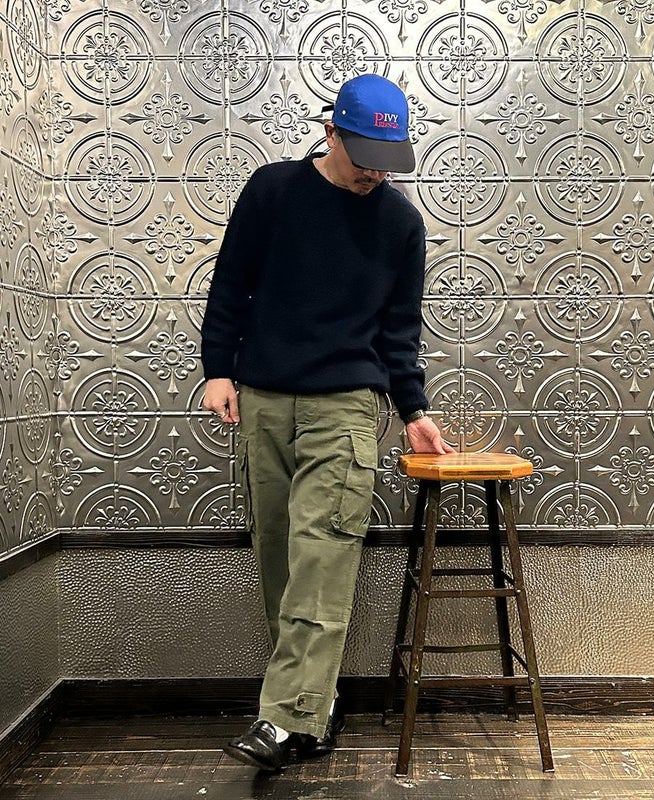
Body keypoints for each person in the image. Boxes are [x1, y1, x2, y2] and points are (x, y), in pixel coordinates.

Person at [200, 73, 453, 773]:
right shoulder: (272, 190)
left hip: (345, 405)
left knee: (322, 555)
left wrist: (414, 410)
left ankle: (283, 719)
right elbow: (231, 282)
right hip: (263, 398)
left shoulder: (400, 224)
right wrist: (217, 369)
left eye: (388, 160)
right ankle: (314, 707)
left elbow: (400, 331)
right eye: (365, 155)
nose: (376, 172)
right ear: (331, 131)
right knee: (280, 558)